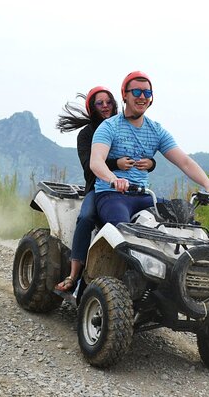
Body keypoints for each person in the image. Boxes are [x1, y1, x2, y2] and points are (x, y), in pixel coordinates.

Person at [54, 86, 156, 292]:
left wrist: (152, 163)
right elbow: (89, 166)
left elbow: (139, 152)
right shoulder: (87, 134)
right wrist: (115, 164)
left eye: (108, 102)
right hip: (99, 188)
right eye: (99, 103)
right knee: (86, 217)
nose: (105, 106)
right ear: (92, 107)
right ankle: (74, 274)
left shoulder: (124, 126)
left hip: (133, 190)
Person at [90, 71, 209, 227]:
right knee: (122, 228)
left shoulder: (156, 131)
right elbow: (96, 161)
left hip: (144, 196)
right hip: (112, 195)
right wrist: (114, 179)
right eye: (136, 92)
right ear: (124, 95)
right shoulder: (109, 126)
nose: (142, 97)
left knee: (184, 217)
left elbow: (185, 162)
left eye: (147, 92)